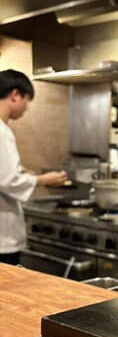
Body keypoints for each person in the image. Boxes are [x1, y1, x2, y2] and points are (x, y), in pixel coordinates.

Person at [0, 69, 68, 265]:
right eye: (27, 101)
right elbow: (8, 181)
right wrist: (44, 179)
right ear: (15, 95)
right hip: (3, 238)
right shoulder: (2, 132)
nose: (26, 108)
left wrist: (20, 170)